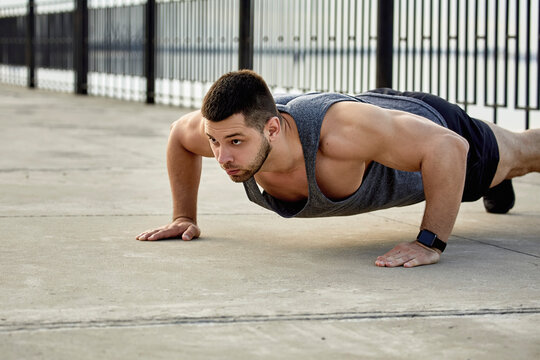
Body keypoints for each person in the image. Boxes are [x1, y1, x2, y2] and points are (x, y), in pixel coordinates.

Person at [136, 70, 540, 268]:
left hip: (433, 126)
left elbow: (449, 147)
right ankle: (495, 183)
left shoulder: (335, 135)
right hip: (379, 116)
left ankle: (496, 177)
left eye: (236, 142)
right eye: (215, 142)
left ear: (273, 128)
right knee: (504, 169)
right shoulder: (227, 128)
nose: (222, 157)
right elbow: (177, 135)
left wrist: (429, 242)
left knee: (523, 154)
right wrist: (183, 216)